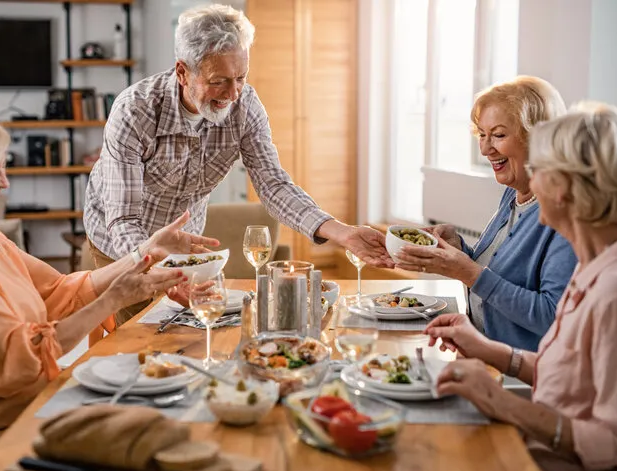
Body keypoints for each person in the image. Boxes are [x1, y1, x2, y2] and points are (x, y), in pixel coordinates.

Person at [0, 105, 219, 470]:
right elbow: (19, 358)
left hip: (36, 409)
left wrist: (145, 251)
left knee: (173, 415)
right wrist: (115, 298)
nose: (4, 183)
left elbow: (58, 291)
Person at [83, 4, 392, 322]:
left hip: (183, 242)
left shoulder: (245, 107)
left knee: (192, 329)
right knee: (144, 335)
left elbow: (274, 185)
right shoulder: (136, 111)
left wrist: (342, 233)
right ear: (182, 72)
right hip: (122, 242)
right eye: (218, 81)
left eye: (240, 77)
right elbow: (122, 220)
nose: (233, 94)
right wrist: (157, 272)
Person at [424, 102, 617, 471]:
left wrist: (499, 400)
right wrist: (489, 351)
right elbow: (571, 378)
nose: (529, 182)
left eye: (539, 171)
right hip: (531, 444)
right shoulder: (597, 262)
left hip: (546, 468)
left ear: (565, 188)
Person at [395, 76, 577, 351]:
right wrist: (460, 250)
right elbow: (495, 276)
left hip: (522, 374)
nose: (484, 148)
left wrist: (468, 272)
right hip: (481, 352)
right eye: (482, 134)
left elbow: (552, 317)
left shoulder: (564, 213)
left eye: (499, 135)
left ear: (539, 138)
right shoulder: (513, 194)